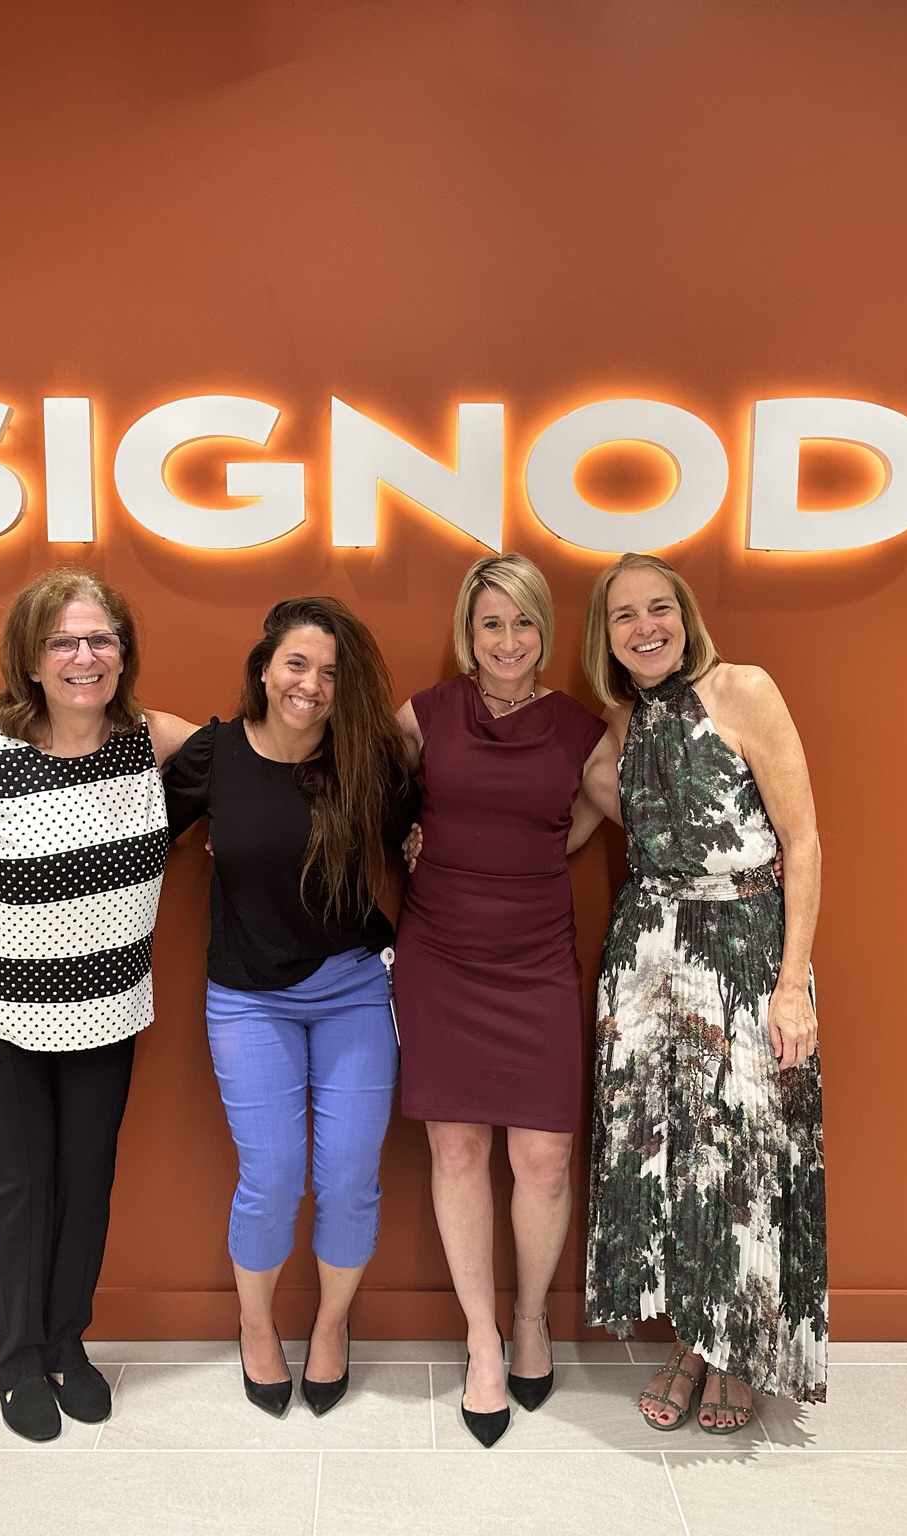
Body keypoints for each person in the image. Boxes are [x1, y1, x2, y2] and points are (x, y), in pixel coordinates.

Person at [0, 568, 195, 1443]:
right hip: (3, 1024)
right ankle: (17, 1360)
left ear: (123, 652)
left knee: (88, 1184)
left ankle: (69, 1344)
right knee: (20, 1191)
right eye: (63, 642)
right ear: (31, 660)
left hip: (109, 1014)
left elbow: (261, 762)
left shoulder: (151, 739)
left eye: (100, 639)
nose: (83, 656)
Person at [578, 552, 828, 1433]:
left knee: (744, 1153)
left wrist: (791, 983)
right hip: (647, 959)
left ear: (684, 616)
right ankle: (693, 1339)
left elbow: (802, 842)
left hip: (747, 949)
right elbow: (552, 826)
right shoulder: (621, 724)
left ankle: (737, 1351)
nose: (646, 628)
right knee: (673, 1153)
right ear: (604, 636)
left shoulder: (745, 689)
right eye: (624, 616)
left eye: (660, 609)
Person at [163, 596, 414, 1419]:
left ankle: (333, 1325)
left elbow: (433, 841)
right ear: (265, 669)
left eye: (332, 672)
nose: (312, 684)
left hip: (352, 991)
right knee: (271, 1177)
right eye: (297, 664)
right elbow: (134, 841)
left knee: (347, 1180)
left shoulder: (368, 764)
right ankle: (257, 1325)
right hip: (246, 1001)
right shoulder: (215, 756)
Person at [391, 554, 609, 1448]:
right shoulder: (425, 714)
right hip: (440, 952)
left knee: (546, 1159)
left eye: (523, 623)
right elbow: (364, 793)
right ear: (467, 633)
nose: (508, 640)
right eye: (491, 624)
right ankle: (482, 1340)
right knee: (456, 1149)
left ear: (543, 632)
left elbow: (610, 809)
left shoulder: (580, 731)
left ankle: (530, 1317)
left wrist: (550, 844)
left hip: (537, 961)